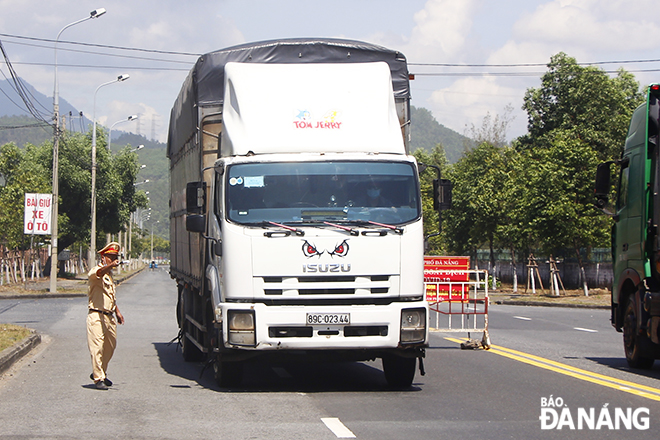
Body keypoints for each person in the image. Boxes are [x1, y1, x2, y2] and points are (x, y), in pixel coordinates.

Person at [87, 242, 124, 390]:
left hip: (109, 316)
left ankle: (100, 371)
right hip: (96, 315)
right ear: (103, 257)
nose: (114, 260)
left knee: (110, 346)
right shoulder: (96, 272)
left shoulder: (109, 276)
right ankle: (99, 378)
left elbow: (110, 297)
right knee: (97, 347)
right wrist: (110, 266)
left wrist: (117, 311)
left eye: (115, 257)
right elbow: (99, 273)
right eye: (110, 257)